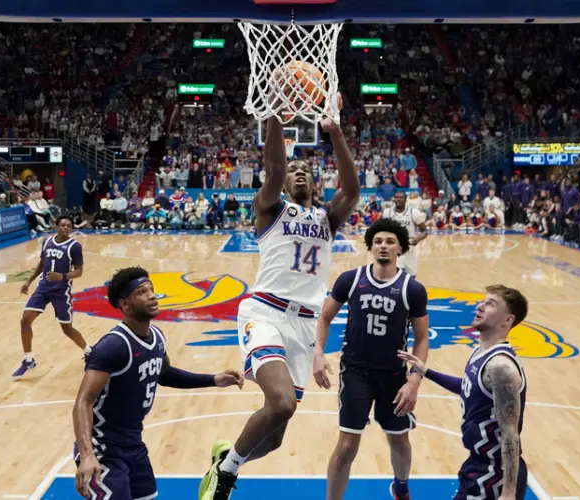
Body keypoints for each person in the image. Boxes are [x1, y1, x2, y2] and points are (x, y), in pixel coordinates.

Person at [200, 94, 360, 500]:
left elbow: (353, 189)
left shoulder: (328, 218)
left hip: (303, 323)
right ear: (285, 184)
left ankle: (226, 457)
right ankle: (226, 476)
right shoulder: (270, 209)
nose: (299, 172)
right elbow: (272, 169)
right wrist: (273, 111)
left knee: (273, 438)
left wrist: (334, 130)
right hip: (265, 312)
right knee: (283, 403)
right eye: (294, 170)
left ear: (316, 183)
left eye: (306, 169)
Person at [72, 267, 243, 500]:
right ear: (125, 304)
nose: (152, 295)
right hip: (103, 450)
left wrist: (214, 379)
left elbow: (165, 374)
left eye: (152, 289)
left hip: (134, 445)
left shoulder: (158, 338)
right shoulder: (113, 346)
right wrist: (87, 454)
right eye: (142, 292)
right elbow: (84, 401)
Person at [313, 218, 430, 500]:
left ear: (400, 248)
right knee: (346, 445)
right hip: (356, 373)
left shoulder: (412, 289)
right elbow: (324, 317)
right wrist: (317, 352)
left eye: (390, 241)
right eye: (378, 241)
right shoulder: (351, 279)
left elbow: (422, 339)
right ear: (370, 246)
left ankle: (400, 487)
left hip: (393, 376)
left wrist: (414, 382)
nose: (383, 246)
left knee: (399, 439)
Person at [398, 285, 530, 500]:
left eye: (491, 304)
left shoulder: (501, 367)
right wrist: (427, 372)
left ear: (508, 320)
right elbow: (470, 388)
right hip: (478, 465)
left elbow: (511, 435)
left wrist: (508, 493)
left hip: (495, 473)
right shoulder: (481, 352)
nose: (480, 306)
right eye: (483, 301)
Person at [13, 216, 90, 377]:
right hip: (43, 288)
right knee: (25, 320)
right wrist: (28, 281)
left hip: (61, 292)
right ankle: (28, 359)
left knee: (67, 329)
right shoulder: (47, 242)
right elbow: (42, 263)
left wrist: (62, 276)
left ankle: (89, 352)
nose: (65, 228)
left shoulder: (74, 247)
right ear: (56, 226)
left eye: (69, 226)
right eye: (62, 225)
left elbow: (79, 271)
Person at [382, 191, 427, 277]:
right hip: (393, 248)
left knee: (411, 276)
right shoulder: (387, 212)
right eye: (396, 197)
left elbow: (424, 230)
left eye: (401, 198)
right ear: (393, 199)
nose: (398, 199)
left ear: (406, 200)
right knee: (395, 276)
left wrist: (418, 238)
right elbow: (383, 230)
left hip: (409, 248)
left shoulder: (413, 212)